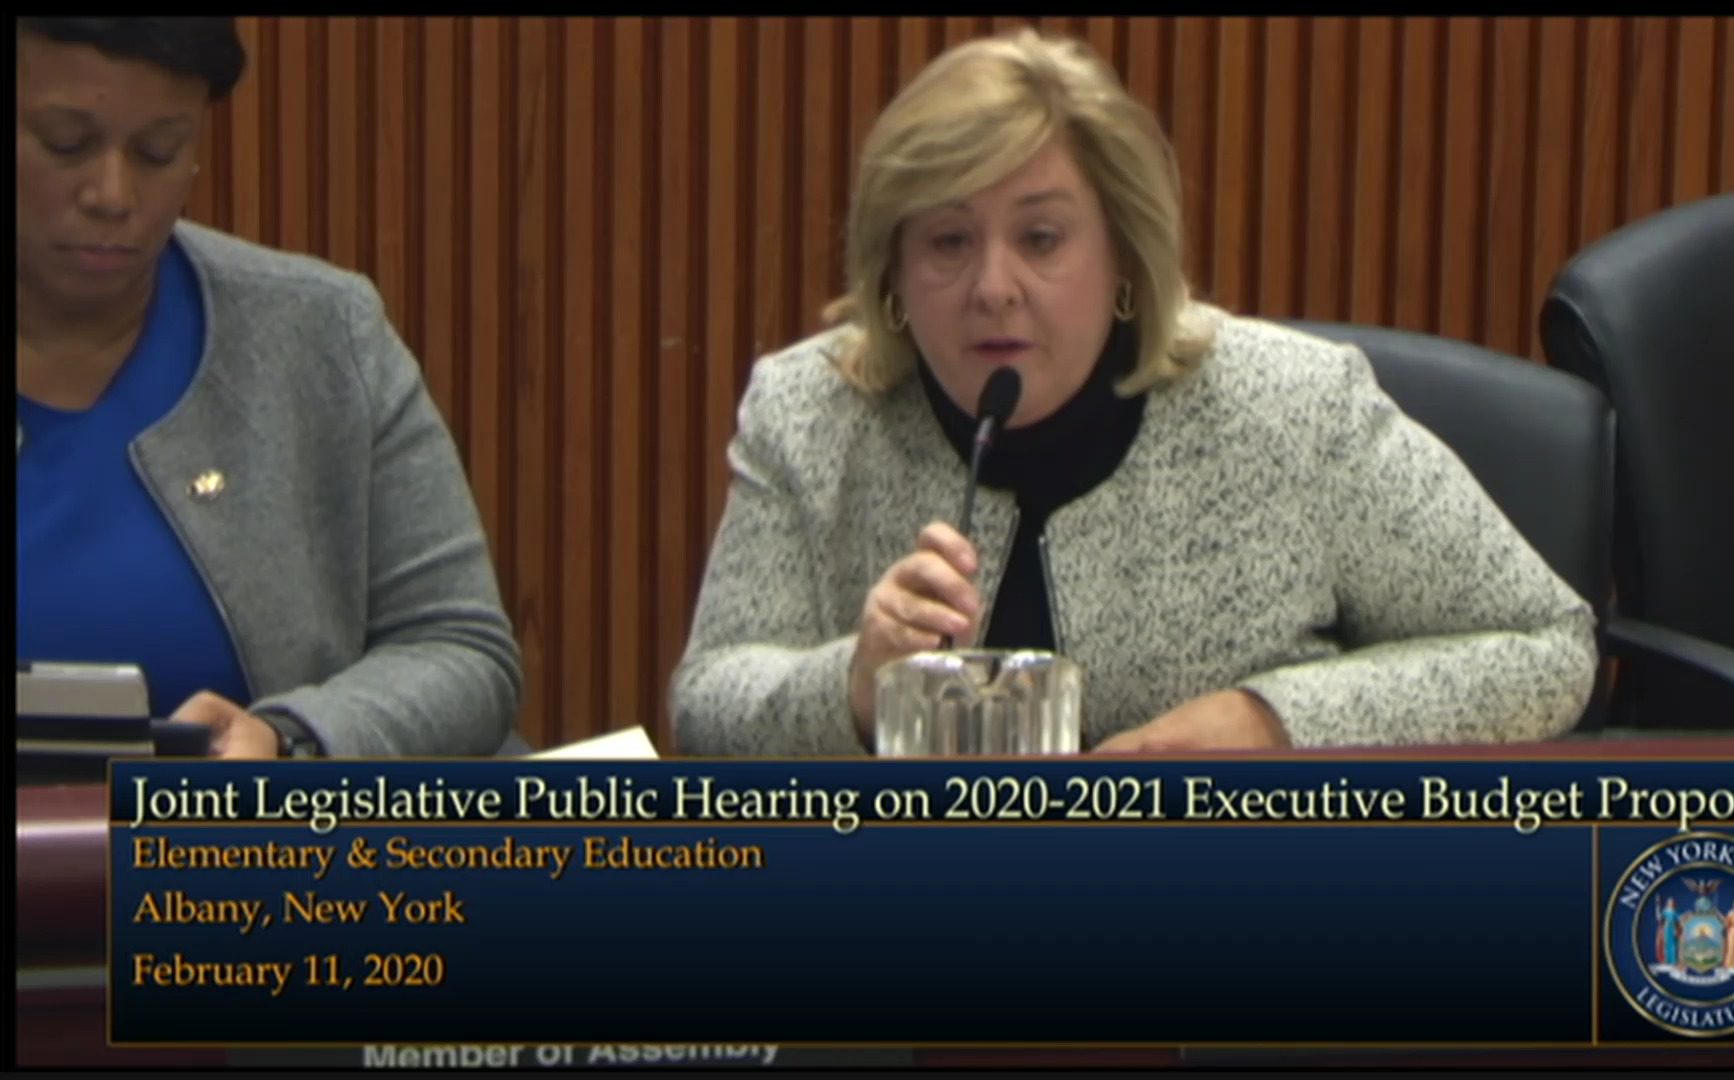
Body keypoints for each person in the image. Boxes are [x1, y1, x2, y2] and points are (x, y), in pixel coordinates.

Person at [670, 29, 1596, 757]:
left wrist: (1269, 720)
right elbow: (706, 702)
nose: (993, 287)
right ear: (894, 275)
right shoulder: (811, 413)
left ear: (1122, 255)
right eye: (948, 242)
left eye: (1041, 239)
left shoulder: (1293, 410)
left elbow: (1547, 646)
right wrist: (854, 687)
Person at [15, 18, 522, 758]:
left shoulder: (320, 332)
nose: (113, 194)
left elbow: (461, 647)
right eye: (66, 144)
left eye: (159, 152)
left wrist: (292, 741)